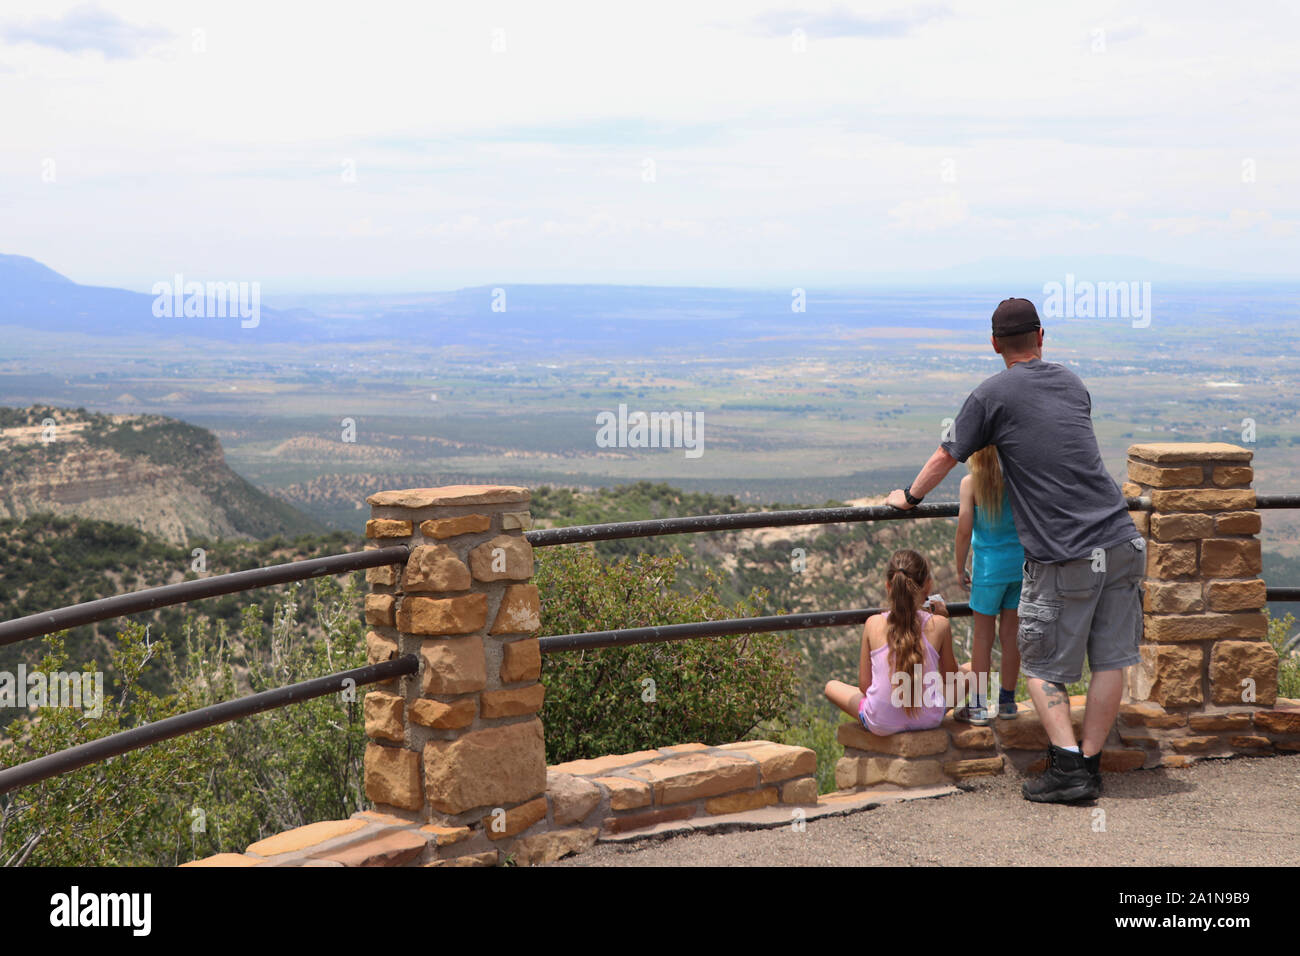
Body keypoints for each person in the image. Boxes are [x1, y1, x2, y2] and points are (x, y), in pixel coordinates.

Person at [885, 297, 1144, 804]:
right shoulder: (1071, 381)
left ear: (995, 344)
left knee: (1040, 666)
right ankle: (1087, 766)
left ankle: (1068, 768)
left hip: (1065, 551)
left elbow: (947, 453)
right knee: (1110, 661)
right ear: (1042, 336)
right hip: (1121, 538)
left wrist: (910, 497)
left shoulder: (991, 394)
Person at [824, 549, 961, 736]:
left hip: (881, 722)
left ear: (889, 586)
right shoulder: (940, 624)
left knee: (831, 686)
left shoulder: (873, 623)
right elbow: (951, 677)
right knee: (969, 671)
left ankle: (885, 709)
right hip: (929, 718)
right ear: (928, 587)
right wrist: (940, 619)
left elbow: (865, 686)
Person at [953, 445, 1023, 725]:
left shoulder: (971, 483)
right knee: (1011, 635)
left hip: (988, 570)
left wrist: (959, 567)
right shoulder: (1018, 479)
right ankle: (1007, 701)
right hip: (1020, 566)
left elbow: (963, 528)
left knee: (983, 637)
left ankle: (979, 705)